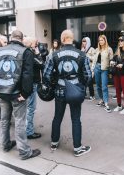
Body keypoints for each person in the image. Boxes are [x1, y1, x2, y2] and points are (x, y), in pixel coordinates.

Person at [0, 30, 41, 160]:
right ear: (22, 39)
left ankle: (5, 144)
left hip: (2, 91)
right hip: (17, 93)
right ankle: (24, 151)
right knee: (19, 122)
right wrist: (25, 93)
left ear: (11, 38)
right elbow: (27, 75)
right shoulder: (25, 51)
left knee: (4, 120)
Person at [43, 29, 92, 157]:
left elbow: (46, 75)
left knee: (57, 117)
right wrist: (81, 86)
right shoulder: (82, 54)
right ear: (72, 38)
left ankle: (54, 142)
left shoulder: (54, 54)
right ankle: (77, 148)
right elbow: (88, 75)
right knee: (76, 119)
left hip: (59, 90)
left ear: (62, 39)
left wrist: (53, 85)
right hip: (75, 90)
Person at [23, 36, 43, 140]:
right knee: (31, 108)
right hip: (31, 83)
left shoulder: (22, 52)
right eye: (35, 43)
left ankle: (26, 129)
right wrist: (37, 52)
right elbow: (40, 63)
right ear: (31, 44)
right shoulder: (30, 53)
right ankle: (29, 132)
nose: (37, 44)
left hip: (24, 83)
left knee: (26, 107)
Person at [91, 35, 113, 112]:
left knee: (104, 86)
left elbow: (111, 60)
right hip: (97, 68)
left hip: (104, 69)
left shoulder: (109, 49)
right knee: (98, 86)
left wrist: (111, 69)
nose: (100, 42)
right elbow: (94, 60)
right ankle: (102, 99)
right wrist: (92, 70)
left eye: (102, 40)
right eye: (99, 40)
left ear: (105, 40)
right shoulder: (97, 49)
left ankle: (106, 103)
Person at [81, 37, 95, 101]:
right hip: (83, 68)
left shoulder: (92, 49)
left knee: (90, 82)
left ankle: (92, 95)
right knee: (83, 81)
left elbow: (94, 59)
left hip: (90, 68)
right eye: (83, 41)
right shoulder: (82, 49)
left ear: (88, 42)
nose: (83, 43)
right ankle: (84, 94)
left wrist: (87, 55)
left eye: (85, 41)